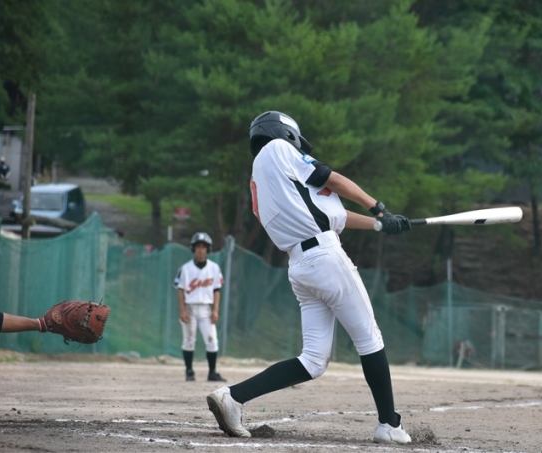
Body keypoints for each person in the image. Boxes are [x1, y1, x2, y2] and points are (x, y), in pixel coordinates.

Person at [206, 111, 412, 444]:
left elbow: (336, 215)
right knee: (369, 338)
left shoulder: (263, 179)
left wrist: (380, 224)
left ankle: (233, 397)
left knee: (314, 360)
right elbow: (333, 179)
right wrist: (377, 207)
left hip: (301, 266)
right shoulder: (278, 148)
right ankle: (389, 424)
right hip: (325, 257)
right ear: (285, 133)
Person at [174, 232, 227, 382]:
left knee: (212, 340)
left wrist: (215, 310)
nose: (201, 249)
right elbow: (180, 290)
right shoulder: (185, 268)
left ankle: (212, 372)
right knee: (189, 340)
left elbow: (216, 290)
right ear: (193, 248)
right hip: (190, 308)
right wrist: (182, 310)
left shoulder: (214, 268)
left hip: (206, 309)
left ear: (208, 249)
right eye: (198, 246)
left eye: (204, 246)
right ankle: (189, 371)